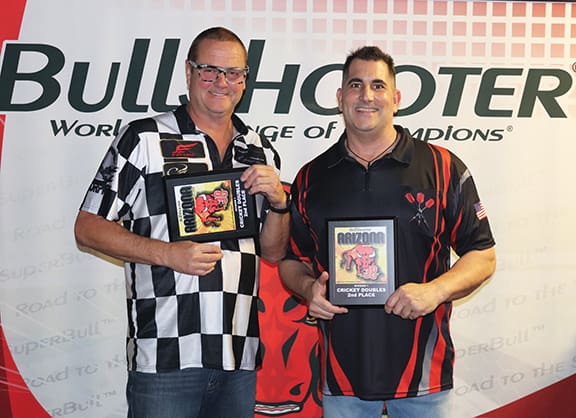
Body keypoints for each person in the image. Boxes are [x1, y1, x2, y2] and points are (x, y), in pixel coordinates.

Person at [74, 27, 290, 418]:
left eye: (233, 73)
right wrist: (167, 254)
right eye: (209, 70)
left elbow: (272, 251)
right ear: (189, 72)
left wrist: (279, 204)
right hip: (165, 357)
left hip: (238, 357)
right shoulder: (144, 137)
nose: (221, 82)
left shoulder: (258, 147)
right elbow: (87, 226)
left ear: (245, 79)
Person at [278, 46, 496, 418]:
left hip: (423, 382)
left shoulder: (442, 167)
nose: (367, 95)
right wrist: (307, 288)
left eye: (378, 85)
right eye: (356, 85)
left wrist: (435, 290)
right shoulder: (312, 177)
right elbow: (290, 260)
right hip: (342, 382)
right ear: (340, 98)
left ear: (395, 99)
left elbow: (483, 254)